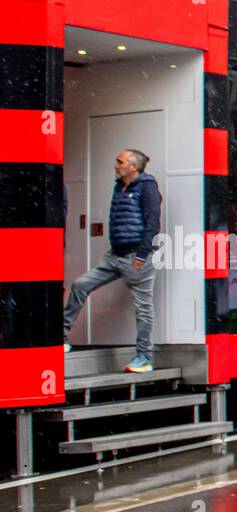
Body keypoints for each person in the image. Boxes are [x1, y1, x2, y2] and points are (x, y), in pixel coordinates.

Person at [62, 149, 161, 373]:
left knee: (143, 309)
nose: (115, 165)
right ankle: (61, 336)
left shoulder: (147, 187)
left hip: (137, 257)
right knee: (80, 284)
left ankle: (143, 357)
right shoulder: (120, 186)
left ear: (133, 167)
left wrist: (141, 255)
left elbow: (152, 222)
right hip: (115, 256)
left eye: (120, 162)